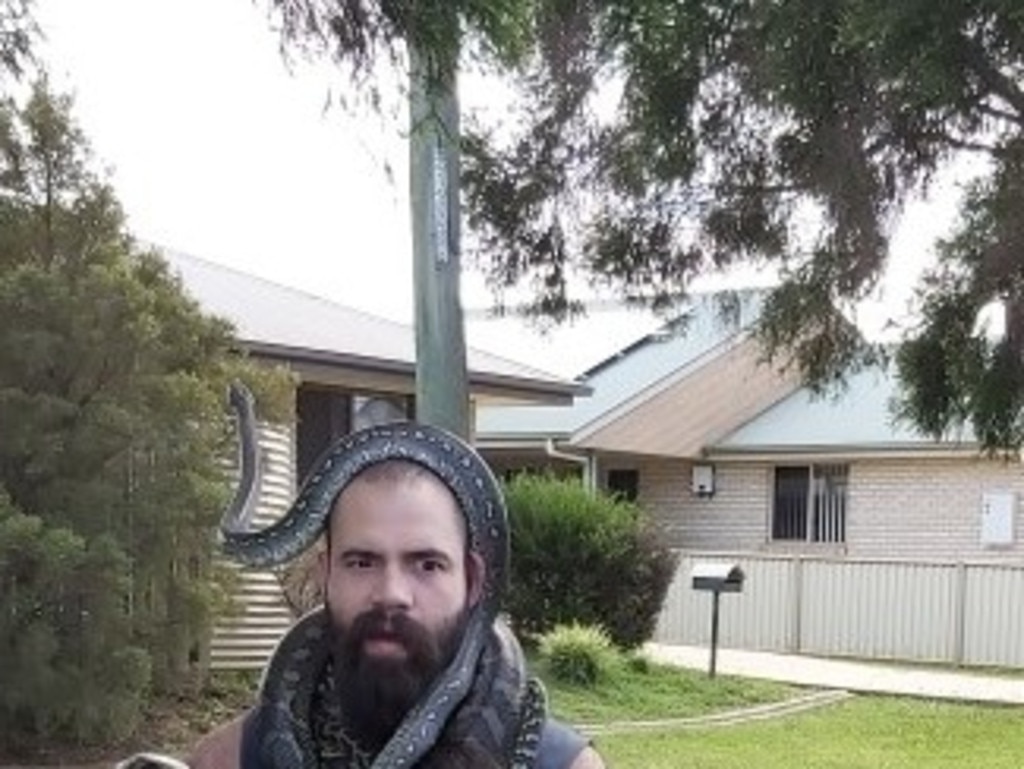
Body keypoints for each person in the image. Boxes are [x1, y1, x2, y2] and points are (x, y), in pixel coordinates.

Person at [188, 446, 606, 769]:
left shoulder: (562, 765)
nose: (391, 593)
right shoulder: (226, 760)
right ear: (325, 575)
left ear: (474, 581)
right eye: (361, 562)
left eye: (427, 564)